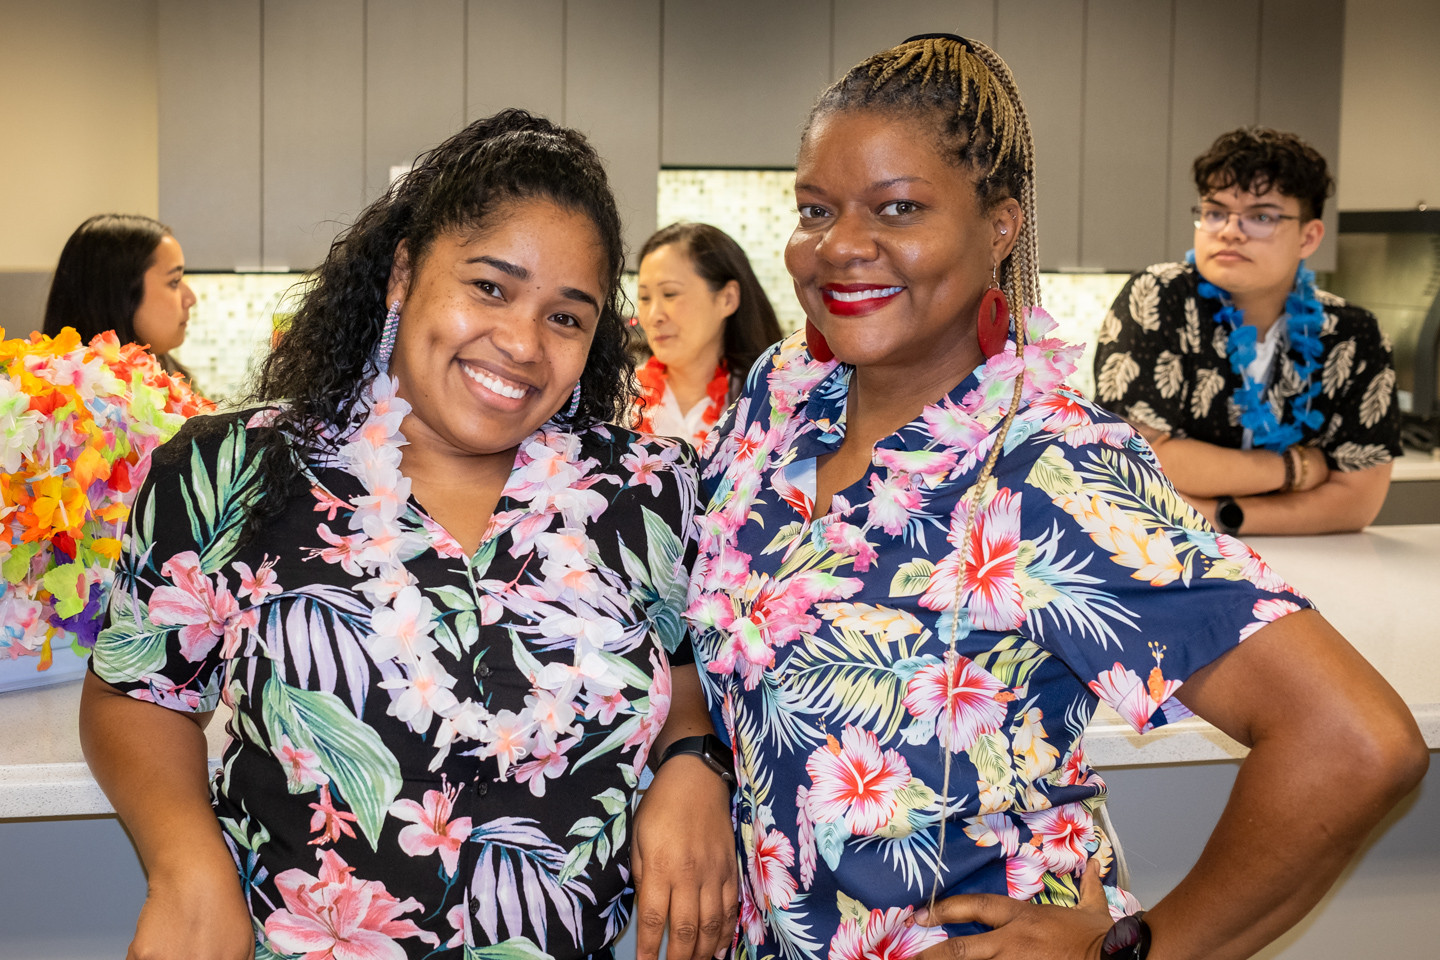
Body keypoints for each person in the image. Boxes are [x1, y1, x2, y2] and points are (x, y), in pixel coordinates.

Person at [686, 34, 1426, 960]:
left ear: (999, 227)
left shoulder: (1046, 465)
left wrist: (1135, 953)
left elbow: (1352, 743)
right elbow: (693, 609)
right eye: (813, 208)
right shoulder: (780, 397)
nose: (838, 246)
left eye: (899, 207)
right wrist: (691, 760)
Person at [80, 110, 738, 960]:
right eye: (489, 288)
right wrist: (186, 865)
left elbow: (686, 668)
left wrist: (692, 762)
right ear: (402, 274)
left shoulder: (651, 492)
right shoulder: (231, 472)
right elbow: (139, 693)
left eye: (565, 318)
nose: (521, 344)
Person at [1092, 128, 1402, 536]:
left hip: (1317, 561)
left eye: (1261, 217)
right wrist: (1295, 468)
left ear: (1308, 237)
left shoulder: (1354, 335)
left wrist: (1219, 515)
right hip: (1167, 555)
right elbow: (1134, 460)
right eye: (1216, 211)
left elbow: (1357, 501)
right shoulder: (1158, 296)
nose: (1230, 230)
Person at [633, 222, 782, 447]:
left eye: (670, 294)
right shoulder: (617, 398)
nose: (654, 315)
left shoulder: (768, 401)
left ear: (727, 299)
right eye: (645, 297)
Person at [43, 213, 198, 380]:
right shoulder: (77, 400)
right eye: (174, 281)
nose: (191, 299)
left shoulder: (165, 377)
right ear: (120, 295)